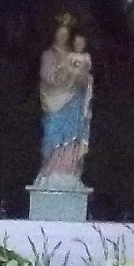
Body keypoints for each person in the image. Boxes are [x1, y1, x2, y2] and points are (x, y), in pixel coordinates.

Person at [37, 14, 93, 182]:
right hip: (54, 102)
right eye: (59, 34)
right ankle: (49, 171)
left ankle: (69, 171)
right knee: (52, 135)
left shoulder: (75, 56)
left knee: (72, 135)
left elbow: (85, 78)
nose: (62, 37)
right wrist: (62, 76)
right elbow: (47, 77)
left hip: (72, 102)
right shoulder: (49, 55)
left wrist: (80, 78)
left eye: (65, 35)